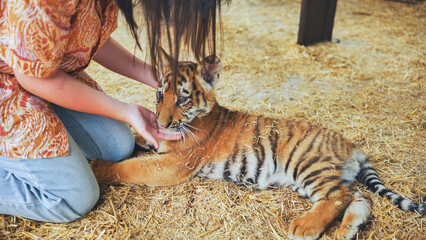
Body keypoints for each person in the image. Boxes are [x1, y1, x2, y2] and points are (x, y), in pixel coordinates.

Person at [0, 0, 228, 223]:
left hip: (46, 74)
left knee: (118, 145)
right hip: (16, 84)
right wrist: (125, 112)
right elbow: (33, 78)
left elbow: (86, 35)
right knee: (76, 198)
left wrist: (157, 76)